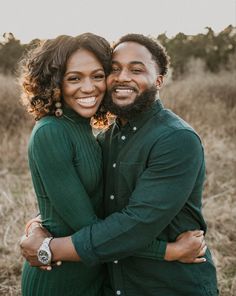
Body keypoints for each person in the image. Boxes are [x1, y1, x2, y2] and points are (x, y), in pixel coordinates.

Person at [20, 33, 214, 295]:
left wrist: (47, 248)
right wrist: (37, 224)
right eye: (114, 69)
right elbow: (86, 205)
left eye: (136, 69)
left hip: (166, 285)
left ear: (158, 80)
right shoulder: (108, 137)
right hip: (106, 281)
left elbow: (135, 224)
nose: (122, 77)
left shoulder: (176, 139)